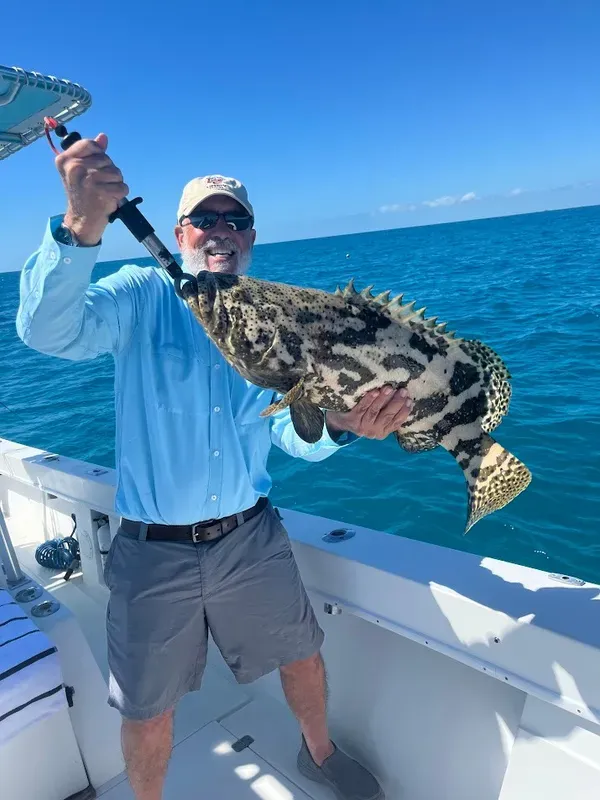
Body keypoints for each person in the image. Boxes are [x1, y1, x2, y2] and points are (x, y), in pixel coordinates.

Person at [16, 133, 413, 800]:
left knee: (302, 656)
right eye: (205, 218)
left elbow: (287, 425)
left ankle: (318, 753)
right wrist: (81, 226)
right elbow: (47, 331)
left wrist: (340, 426)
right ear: (180, 233)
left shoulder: (273, 314)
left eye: (236, 219)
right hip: (153, 550)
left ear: (251, 236)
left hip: (249, 536)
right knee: (147, 708)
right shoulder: (140, 293)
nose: (220, 229)